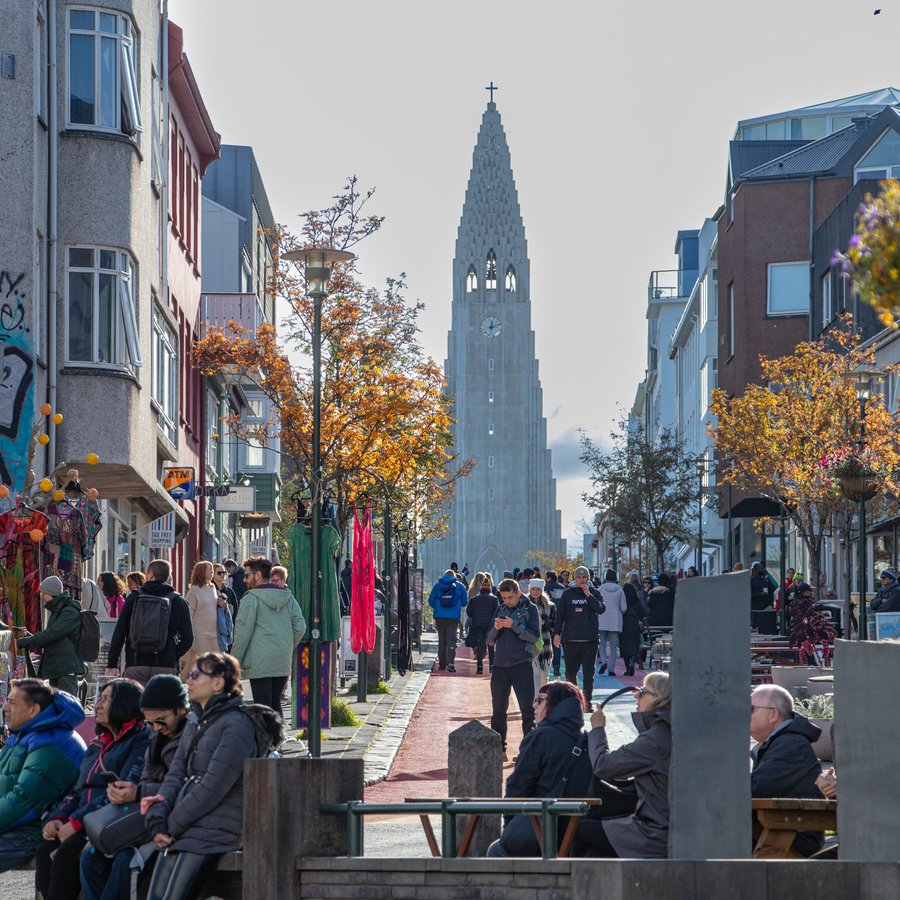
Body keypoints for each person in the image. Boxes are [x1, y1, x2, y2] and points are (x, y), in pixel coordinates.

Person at [143, 652, 261, 900]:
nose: (188, 680)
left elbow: (213, 786)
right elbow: (175, 775)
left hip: (214, 829)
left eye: (196, 675)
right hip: (185, 827)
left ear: (218, 683)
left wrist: (171, 825)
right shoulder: (196, 721)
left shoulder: (237, 725)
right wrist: (158, 820)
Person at [34, 679, 148, 900]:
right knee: (44, 850)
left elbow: (117, 793)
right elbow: (77, 789)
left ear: (125, 703)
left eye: (106, 699)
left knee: (68, 853)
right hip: (79, 820)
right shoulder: (97, 744)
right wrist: (58, 817)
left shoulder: (140, 741)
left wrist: (77, 823)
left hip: (107, 823)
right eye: (99, 699)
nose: (97, 705)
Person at [79, 675, 190, 900]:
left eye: (161, 720)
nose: (156, 728)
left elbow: (186, 787)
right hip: (148, 819)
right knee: (90, 857)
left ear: (181, 710)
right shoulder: (155, 737)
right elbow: (147, 777)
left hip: (175, 824)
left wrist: (139, 792)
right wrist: (128, 791)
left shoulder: (191, 737)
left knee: (125, 860)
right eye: (150, 722)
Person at [486, 681, 592, 857]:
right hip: (577, 834)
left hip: (542, 830)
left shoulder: (540, 736)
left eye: (540, 699)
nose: (534, 705)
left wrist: (511, 826)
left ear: (554, 704)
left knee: (496, 851)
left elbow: (518, 787)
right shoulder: (588, 741)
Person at [573, 672, 672, 858]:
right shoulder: (667, 731)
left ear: (659, 699)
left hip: (653, 832)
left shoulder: (655, 739)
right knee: (594, 850)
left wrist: (598, 729)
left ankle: (566, 876)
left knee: (579, 831)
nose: (636, 695)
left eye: (643, 691)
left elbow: (603, 766)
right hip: (661, 826)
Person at [0, 680, 86, 872]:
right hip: (12, 824)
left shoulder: (51, 743)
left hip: (30, 831)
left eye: (12, 702)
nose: (4, 707)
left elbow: (23, 803)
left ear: (34, 710)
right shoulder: (23, 734)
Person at [750, 684, 825, 857]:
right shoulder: (779, 742)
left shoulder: (791, 745)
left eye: (751, 709)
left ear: (773, 714)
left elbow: (756, 789)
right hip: (779, 826)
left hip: (792, 835)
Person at [231, 556, 306, 713]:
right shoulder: (288, 598)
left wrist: (234, 662)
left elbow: (242, 634)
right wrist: (287, 645)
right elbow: (300, 628)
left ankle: (267, 730)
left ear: (258, 575)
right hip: (282, 658)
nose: (244, 580)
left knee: (262, 705)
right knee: (275, 702)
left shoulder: (251, 599)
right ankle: (278, 730)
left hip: (260, 660)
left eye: (247, 575)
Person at [105, 559, 194, 684]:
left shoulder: (134, 597)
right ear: (167, 577)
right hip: (166, 666)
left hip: (136, 664)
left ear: (150, 574)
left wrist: (112, 663)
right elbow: (188, 638)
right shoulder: (178, 601)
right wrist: (172, 653)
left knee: (135, 696)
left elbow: (120, 632)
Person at [487, 578, 541, 754]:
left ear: (518, 593)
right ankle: (499, 748)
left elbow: (534, 636)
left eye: (510, 597)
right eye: (503, 598)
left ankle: (528, 751)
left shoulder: (530, 609)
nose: (507, 601)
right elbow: (489, 640)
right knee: (498, 710)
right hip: (500, 665)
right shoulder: (500, 609)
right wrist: (496, 628)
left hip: (521, 663)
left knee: (527, 710)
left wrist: (514, 625)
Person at [16, 576, 85, 696]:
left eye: (43, 593)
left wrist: (23, 642)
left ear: (51, 593)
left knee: (67, 703)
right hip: (57, 667)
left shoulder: (69, 611)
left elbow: (52, 634)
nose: (42, 596)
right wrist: (28, 636)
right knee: (56, 702)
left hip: (65, 667)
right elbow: (52, 636)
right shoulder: (59, 609)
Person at [553, 566, 606, 704]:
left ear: (588, 578)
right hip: (571, 640)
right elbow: (560, 616)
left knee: (589, 674)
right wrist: (557, 633)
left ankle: (587, 702)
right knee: (570, 673)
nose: (581, 580)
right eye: (578, 577)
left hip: (590, 640)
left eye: (584, 577)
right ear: (574, 579)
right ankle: (574, 701)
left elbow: (601, 609)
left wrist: (588, 595)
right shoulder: (567, 594)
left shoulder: (595, 592)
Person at [180, 561, 220, 682]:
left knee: (212, 661)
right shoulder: (194, 590)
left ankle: (207, 684)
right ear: (201, 572)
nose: (212, 572)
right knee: (195, 662)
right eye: (209, 569)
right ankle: (187, 682)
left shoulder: (212, 588)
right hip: (199, 632)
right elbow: (188, 613)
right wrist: (190, 632)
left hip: (213, 631)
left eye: (212, 569)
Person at [428, 569, 468, 672]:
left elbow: (431, 601)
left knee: (442, 640)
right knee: (451, 640)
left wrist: (438, 608)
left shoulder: (437, 586)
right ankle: (450, 663)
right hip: (453, 617)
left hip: (439, 617)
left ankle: (442, 664)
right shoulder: (460, 586)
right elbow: (464, 602)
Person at [596, 569, 627, 677]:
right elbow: (624, 607)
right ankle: (611, 669)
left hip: (602, 619)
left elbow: (597, 605)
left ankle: (604, 661)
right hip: (615, 620)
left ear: (606, 578)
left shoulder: (600, 589)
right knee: (614, 646)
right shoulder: (620, 590)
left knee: (602, 643)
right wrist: (619, 613)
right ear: (615, 578)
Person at [466, 573, 499, 674]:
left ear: (480, 589)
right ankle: (491, 666)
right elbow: (498, 611)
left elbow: (469, 612)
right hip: (490, 625)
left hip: (478, 625)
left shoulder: (474, 599)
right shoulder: (494, 599)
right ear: (489, 589)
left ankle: (479, 667)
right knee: (490, 645)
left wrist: (476, 616)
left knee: (480, 645)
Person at [527, 579, 556, 692]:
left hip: (545, 642)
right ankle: (535, 698)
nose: (535, 592)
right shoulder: (524, 604)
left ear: (542, 590)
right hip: (529, 642)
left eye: (538, 589)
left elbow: (556, 623)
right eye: (533, 589)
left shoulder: (550, 606)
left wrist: (545, 622)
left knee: (544, 675)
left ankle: (542, 695)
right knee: (534, 674)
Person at [620, 573, 645, 676]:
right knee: (634, 645)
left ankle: (627, 667)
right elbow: (642, 614)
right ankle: (633, 660)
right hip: (634, 624)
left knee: (624, 645)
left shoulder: (622, 601)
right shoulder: (637, 601)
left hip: (624, 624)